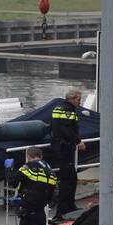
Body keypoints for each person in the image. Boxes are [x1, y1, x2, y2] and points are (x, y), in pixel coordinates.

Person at [49, 88, 87, 218]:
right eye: (78, 99)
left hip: (59, 146)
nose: (79, 102)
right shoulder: (68, 110)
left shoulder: (58, 108)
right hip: (64, 148)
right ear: (71, 99)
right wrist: (78, 141)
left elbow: (56, 127)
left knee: (71, 178)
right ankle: (62, 210)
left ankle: (70, 205)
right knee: (68, 180)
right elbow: (67, 130)